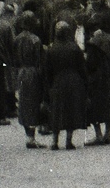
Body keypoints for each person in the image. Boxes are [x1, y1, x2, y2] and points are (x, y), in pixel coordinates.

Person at [43, 22, 88, 152]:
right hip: (74, 81)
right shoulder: (75, 48)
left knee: (57, 111)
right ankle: (69, 141)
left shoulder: (51, 49)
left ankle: (54, 141)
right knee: (71, 111)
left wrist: (48, 86)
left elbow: (47, 71)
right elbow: (82, 68)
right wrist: (85, 85)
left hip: (58, 82)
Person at [13, 12, 44, 148]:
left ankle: (28, 135)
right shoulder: (35, 39)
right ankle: (32, 137)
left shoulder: (17, 39)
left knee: (23, 103)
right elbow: (39, 60)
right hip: (32, 72)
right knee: (33, 103)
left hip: (21, 72)